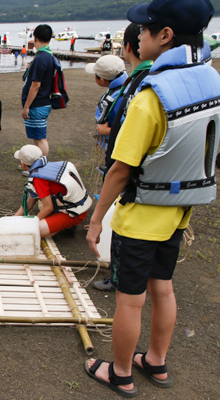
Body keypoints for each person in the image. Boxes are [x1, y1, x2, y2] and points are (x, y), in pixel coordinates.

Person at [85, 0, 219, 397]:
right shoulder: (212, 80)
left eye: (144, 30)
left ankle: (121, 372)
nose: (138, 36)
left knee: (130, 299)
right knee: (163, 288)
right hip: (179, 212)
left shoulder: (151, 93)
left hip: (141, 214)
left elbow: (121, 169)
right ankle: (156, 362)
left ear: (164, 36)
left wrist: (96, 221)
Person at [93, 23, 153, 291]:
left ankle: (118, 277)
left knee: (122, 222)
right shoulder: (154, 78)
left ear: (129, 47)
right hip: (159, 179)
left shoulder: (140, 83)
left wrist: (96, 219)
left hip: (130, 168)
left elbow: (122, 162)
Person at [14, 145, 91, 238]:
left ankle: (66, 225)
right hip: (80, 206)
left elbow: (48, 208)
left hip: (73, 213)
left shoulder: (38, 178)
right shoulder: (48, 167)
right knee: (40, 214)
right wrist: (13, 219)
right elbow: (30, 201)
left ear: (22, 164)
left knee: (34, 232)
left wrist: (32, 224)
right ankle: (58, 223)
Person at [22, 24, 55, 158]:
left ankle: (42, 164)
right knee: (37, 137)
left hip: (38, 103)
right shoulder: (48, 55)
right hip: (43, 101)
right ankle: (36, 163)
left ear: (34, 38)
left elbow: (35, 85)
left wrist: (26, 106)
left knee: (40, 138)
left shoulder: (41, 58)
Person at [85, 55, 127, 149]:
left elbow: (130, 128)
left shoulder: (120, 98)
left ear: (103, 80)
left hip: (117, 146)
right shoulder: (125, 86)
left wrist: (106, 131)